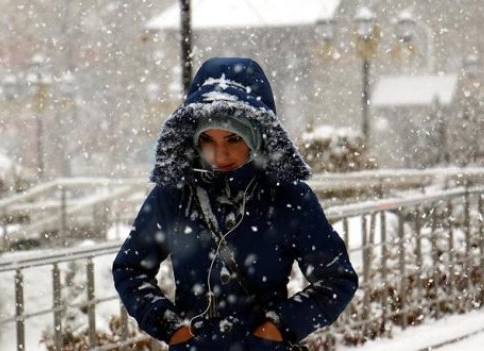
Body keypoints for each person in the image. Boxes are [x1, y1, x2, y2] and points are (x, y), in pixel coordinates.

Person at [112, 57, 357, 350]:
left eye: (233, 139)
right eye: (208, 140)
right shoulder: (173, 195)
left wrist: (282, 325)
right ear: (195, 140)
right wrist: (169, 325)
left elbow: (337, 278)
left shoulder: (289, 197)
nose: (220, 154)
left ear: (256, 136)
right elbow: (130, 269)